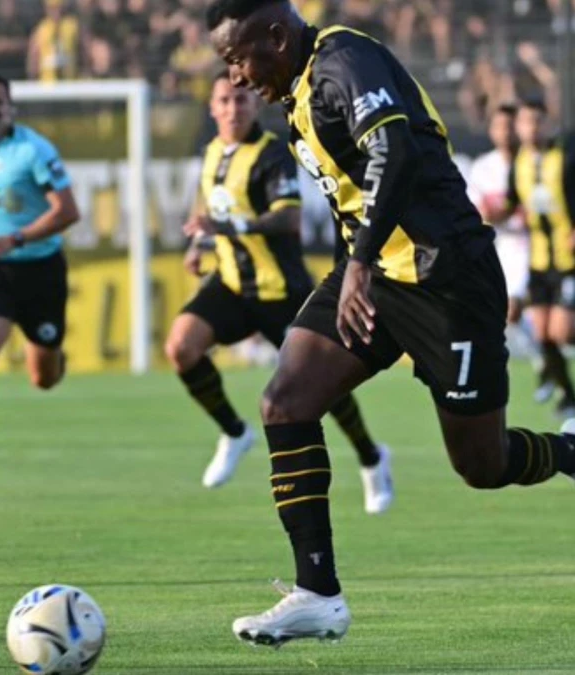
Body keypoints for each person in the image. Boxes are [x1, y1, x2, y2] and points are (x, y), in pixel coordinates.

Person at [206, 0, 575, 647]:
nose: (236, 76)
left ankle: (570, 449)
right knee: (284, 400)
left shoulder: (344, 60)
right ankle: (317, 593)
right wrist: (361, 263)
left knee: (482, 464)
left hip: (448, 278)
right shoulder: (296, 95)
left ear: (275, 34)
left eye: (238, 57)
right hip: (376, 278)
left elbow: (395, 153)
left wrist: (360, 260)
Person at [170, 71, 393, 514]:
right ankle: (234, 432)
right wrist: (200, 245)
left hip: (281, 291)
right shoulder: (212, 152)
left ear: (254, 105)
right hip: (233, 283)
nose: (233, 108)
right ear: (212, 108)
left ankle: (371, 457)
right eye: (224, 101)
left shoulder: (272, 152)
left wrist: (225, 229)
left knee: (323, 388)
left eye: (240, 100)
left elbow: (286, 219)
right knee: (181, 347)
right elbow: (208, 210)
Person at [0, 72, 81, 495]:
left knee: (43, 378)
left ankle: (56, 357)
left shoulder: (34, 151)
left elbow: (68, 211)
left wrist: (17, 237)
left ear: (11, 107)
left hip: (40, 271)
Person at [485, 99, 575, 418]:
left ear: (548, 123)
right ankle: (568, 396)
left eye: (537, 121)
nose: (531, 128)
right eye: (526, 122)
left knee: (563, 332)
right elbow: (512, 202)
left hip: (569, 262)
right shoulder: (520, 163)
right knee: (542, 333)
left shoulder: (566, 155)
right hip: (539, 261)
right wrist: (494, 214)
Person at [467, 103, 552, 404]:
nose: (505, 132)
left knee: (523, 311)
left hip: (535, 245)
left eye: (509, 125)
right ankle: (545, 362)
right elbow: (480, 212)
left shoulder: (535, 161)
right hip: (503, 247)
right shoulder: (483, 168)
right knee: (512, 314)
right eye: (499, 126)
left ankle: (547, 363)